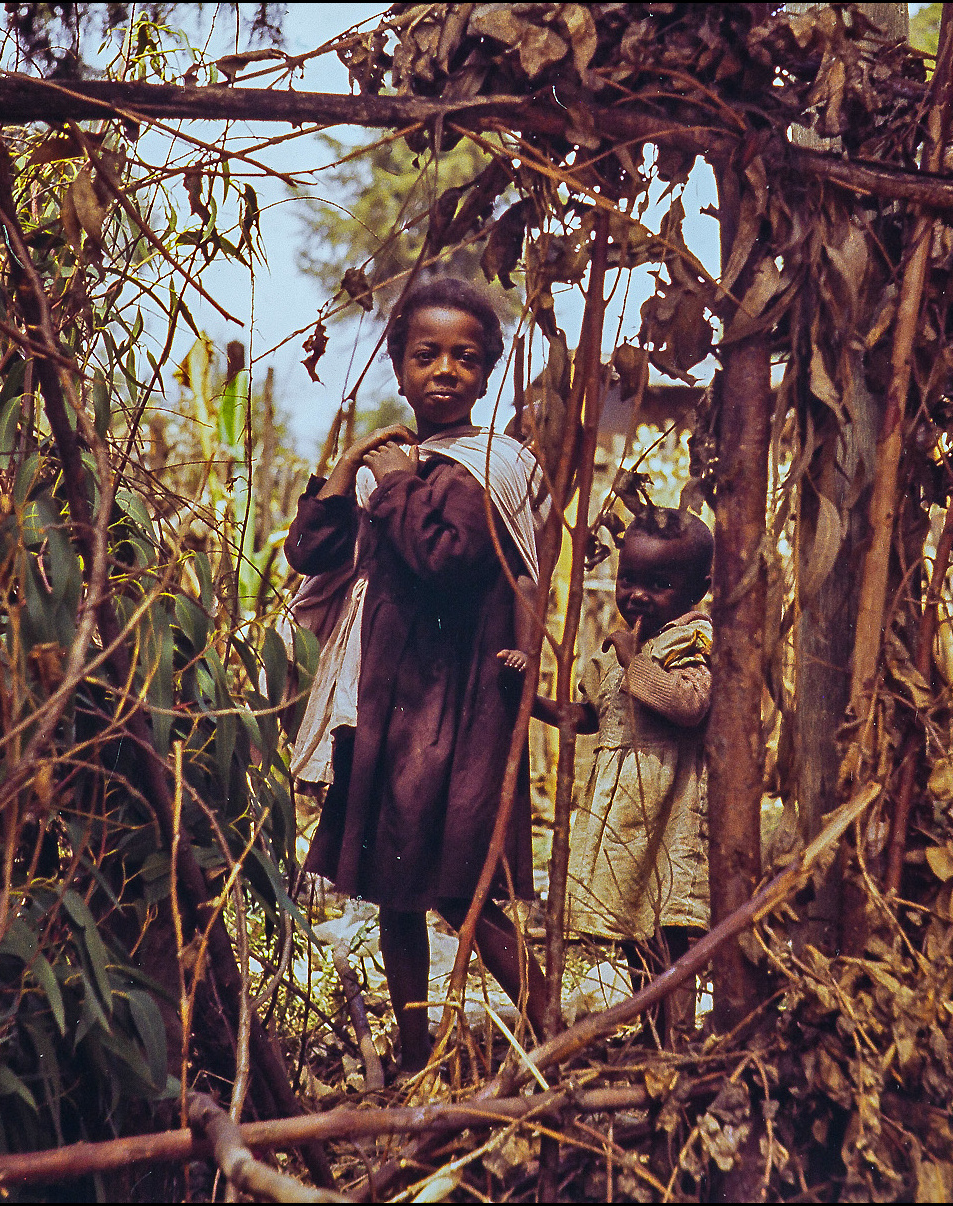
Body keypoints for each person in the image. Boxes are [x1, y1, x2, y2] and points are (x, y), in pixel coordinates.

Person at [286, 277, 548, 1076]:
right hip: (392, 711)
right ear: (399, 368)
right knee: (391, 889)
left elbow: (446, 557)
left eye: (465, 359)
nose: (444, 372)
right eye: (426, 355)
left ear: (487, 374)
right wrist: (353, 464)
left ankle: (554, 1034)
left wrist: (397, 478)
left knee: (465, 891)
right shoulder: (392, 466)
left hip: (460, 712)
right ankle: (412, 1052)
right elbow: (310, 552)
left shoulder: (489, 468)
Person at [528, 505, 714, 1044]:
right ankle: (653, 1034)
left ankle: (674, 1036)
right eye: (629, 579)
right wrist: (533, 703)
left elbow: (688, 705)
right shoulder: (622, 647)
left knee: (669, 928)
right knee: (636, 927)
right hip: (625, 818)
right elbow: (590, 716)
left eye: (660, 585)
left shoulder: (691, 641)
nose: (637, 595)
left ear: (698, 591)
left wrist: (637, 662)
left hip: (667, 811)